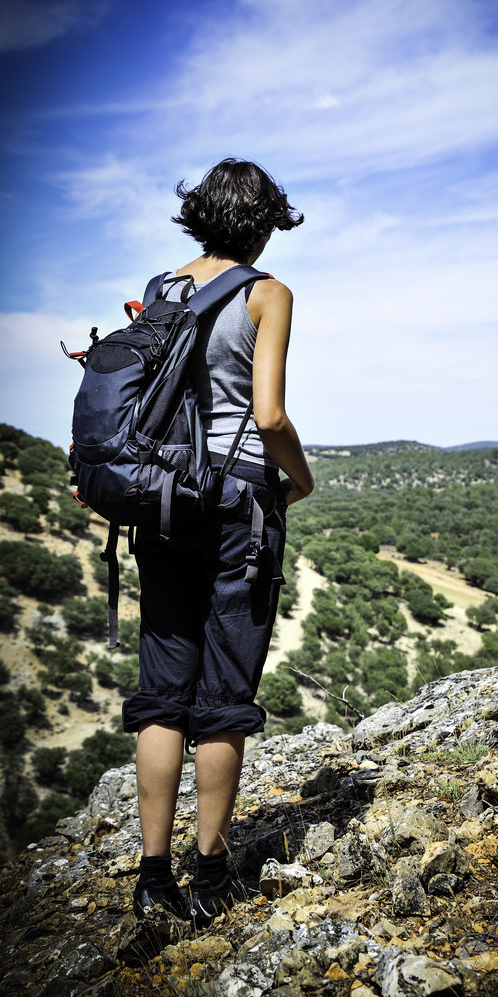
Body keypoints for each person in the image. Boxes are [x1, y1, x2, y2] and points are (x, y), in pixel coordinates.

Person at [120, 158, 314, 923]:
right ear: (265, 225)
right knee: (223, 697)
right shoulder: (267, 294)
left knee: (163, 692)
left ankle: (151, 875)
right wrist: (299, 480)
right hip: (239, 502)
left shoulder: (164, 287)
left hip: (161, 500)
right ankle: (209, 874)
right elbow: (268, 417)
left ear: (197, 217)